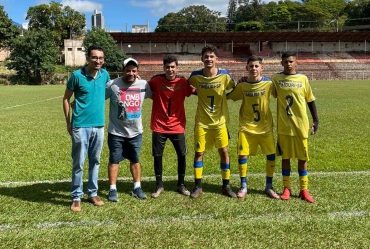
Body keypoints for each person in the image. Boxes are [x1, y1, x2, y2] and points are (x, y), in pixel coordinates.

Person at [62, 45, 110, 212]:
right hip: (80, 126)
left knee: (95, 161)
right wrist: (69, 122)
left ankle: (92, 193)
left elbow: (108, 92)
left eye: (101, 58)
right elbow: (66, 99)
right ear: (88, 58)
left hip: (99, 126)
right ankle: (76, 196)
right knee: (79, 163)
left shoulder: (105, 75)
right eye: (95, 57)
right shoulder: (76, 76)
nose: (98, 61)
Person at [227, 55, 280, 199]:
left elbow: (279, 94)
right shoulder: (243, 86)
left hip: (265, 127)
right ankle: (243, 185)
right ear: (246, 68)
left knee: (270, 155)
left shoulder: (269, 84)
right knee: (242, 155)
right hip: (246, 127)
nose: (254, 68)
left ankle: (269, 186)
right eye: (251, 66)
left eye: (257, 66)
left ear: (262, 68)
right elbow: (229, 96)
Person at [188, 45, 236, 199]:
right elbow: (188, 87)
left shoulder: (225, 75)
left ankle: (226, 185)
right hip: (202, 122)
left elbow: (232, 87)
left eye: (211, 56)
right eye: (206, 56)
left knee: (224, 152)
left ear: (217, 59)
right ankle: (197, 186)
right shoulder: (195, 76)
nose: (209, 59)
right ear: (202, 59)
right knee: (199, 153)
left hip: (220, 122)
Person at [271, 51, 319, 203]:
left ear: (296, 62)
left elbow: (310, 100)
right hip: (284, 126)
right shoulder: (276, 79)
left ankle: (303, 190)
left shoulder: (303, 79)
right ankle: (286, 188)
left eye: (291, 61)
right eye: (285, 62)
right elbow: (265, 93)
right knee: (285, 157)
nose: (288, 64)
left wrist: (316, 120)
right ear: (282, 63)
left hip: (301, 125)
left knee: (302, 158)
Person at [148, 54, 195, 198]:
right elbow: (145, 89)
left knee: (182, 155)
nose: (170, 69)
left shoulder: (182, 81)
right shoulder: (156, 81)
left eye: (172, 67)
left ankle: (181, 184)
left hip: (177, 126)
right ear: (164, 68)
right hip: (159, 126)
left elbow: (195, 91)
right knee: (157, 155)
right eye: (167, 67)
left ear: (177, 68)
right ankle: (159, 185)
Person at [106, 58, 152, 202]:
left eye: (133, 70)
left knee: (135, 159)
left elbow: (158, 97)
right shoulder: (112, 85)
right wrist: (80, 102)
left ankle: (137, 187)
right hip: (116, 131)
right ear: (123, 71)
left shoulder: (144, 84)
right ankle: (112, 189)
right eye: (128, 70)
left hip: (136, 131)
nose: (130, 73)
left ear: (138, 72)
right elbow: (97, 97)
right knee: (114, 160)